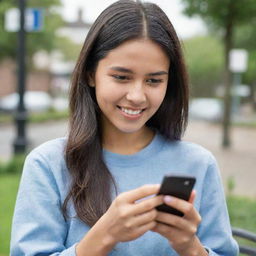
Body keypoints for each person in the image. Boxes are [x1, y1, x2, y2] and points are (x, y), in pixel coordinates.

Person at [10, 0, 239, 255]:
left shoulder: (199, 164)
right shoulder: (47, 165)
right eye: (121, 77)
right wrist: (103, 236)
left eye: (153, 80)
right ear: (89, 73)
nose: (137, 96)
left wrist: (190, 247)